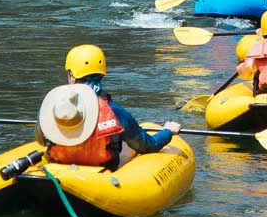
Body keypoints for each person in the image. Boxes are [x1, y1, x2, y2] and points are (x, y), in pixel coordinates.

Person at [37, 44, 181, 170]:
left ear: (71, 76)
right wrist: (168, 131)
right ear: (102, 74)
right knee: (129, 148)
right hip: (101, 170)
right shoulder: (114, 111)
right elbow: (147, 145)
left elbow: (40, 140)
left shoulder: (52, 108)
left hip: (60, 166)